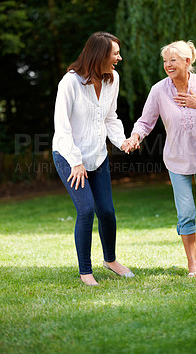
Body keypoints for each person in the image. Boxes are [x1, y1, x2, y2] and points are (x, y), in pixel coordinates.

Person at [128, 40, 196, 278]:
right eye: (165, 61)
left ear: (187, 61)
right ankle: (191, 265)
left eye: (173, 60)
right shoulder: (159, 90)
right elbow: (146, 121)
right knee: (185, 212)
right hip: (176, 159)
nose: (167, 65)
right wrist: (135, 136)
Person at [52, 31, 135, 286]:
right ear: (99, 55)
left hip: (98, 156)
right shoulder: (70, 83)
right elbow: (62, 126)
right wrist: (76, 161)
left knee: (107, 211)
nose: (119, 58)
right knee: (86, 210)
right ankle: (85, 272)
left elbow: (110, 117)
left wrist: (122, 141)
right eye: (115, 53)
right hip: (69, 156)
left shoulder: (113, 79)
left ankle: (110, 261)